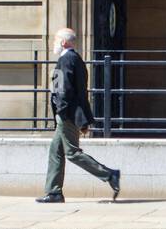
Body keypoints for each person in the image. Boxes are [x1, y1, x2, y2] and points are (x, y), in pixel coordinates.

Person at [37, 28, 121, 204]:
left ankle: (109, 174)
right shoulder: (76, 60)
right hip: (71, 112)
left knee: (72, 152)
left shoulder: (65, 60)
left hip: (66, 114)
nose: (53, 43)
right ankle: (54, 192)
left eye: (55, 40)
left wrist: (62, 111)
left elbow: (62, 90)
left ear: (63, 42)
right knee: (55, 151)